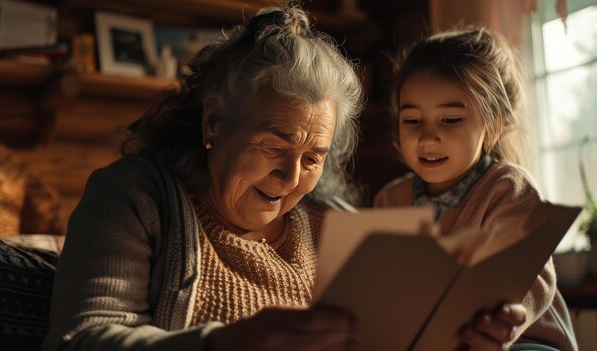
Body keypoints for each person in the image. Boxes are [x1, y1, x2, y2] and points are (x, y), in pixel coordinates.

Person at [44, 7, 529, 350]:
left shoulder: (335, 225)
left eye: (313, 157)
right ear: (214, 122)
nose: (291, 177)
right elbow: (81, 340)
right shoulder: (135, 198)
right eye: (274, 145)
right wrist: (223, 344)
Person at [374, 28, 577, 350]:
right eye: (412, 121)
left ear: (493, 127)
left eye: (450, 119)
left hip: (522, 339)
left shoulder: (507, 187)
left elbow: (533, 278)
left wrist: (507, 320)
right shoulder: (389, 200)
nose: (427, 138)